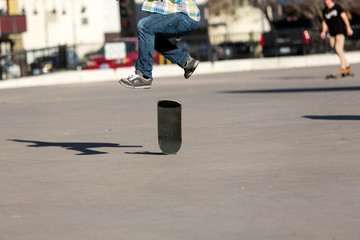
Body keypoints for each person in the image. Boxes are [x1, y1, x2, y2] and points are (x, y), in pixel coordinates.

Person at [118, 0, 201, 89]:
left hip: (185, 15)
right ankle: (186, 62)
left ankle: (144, 75)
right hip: (184, 17)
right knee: (152, 38)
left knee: (144, 26)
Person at [321, 0, 353, 75]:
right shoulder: (325, 10)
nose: (326, 1)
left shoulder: (337, 7)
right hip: (332, 33)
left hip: (340, 31)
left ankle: (343, 68)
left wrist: (348, 27)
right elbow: (324, 21)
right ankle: (347, 66)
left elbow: (344, 17)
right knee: (336, 50)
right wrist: (323, 31)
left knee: (339, 49)